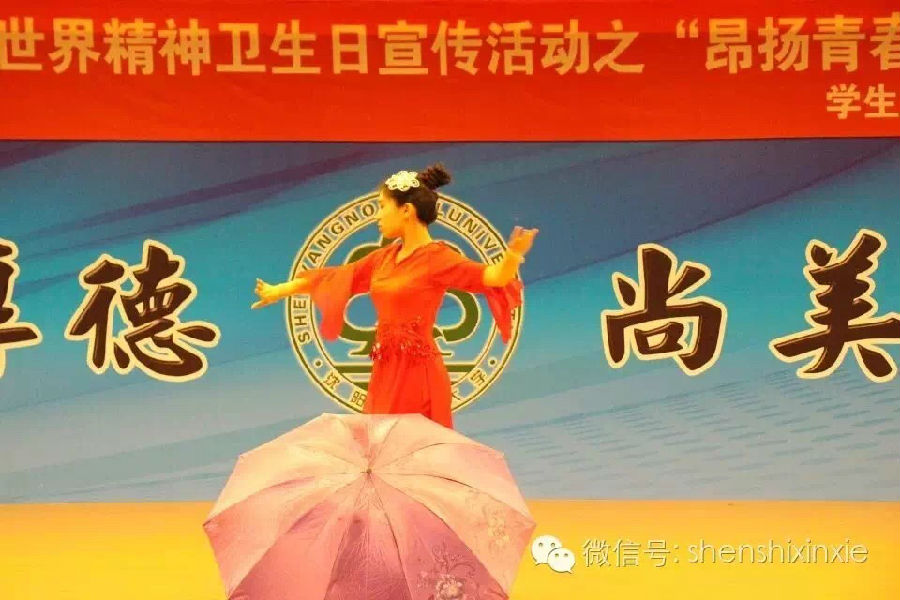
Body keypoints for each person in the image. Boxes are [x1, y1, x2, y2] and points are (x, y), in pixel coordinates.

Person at [252, 163, 538, 429]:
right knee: (380, 449)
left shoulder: (437, 258)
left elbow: (494, 277)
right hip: (385, 371)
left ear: (406, 210)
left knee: (415, 451)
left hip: (419, 376)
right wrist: (280, 290)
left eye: (382, 206)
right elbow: (337, 276)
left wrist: (512, 255)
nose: (378, 215)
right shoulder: (383, 258)